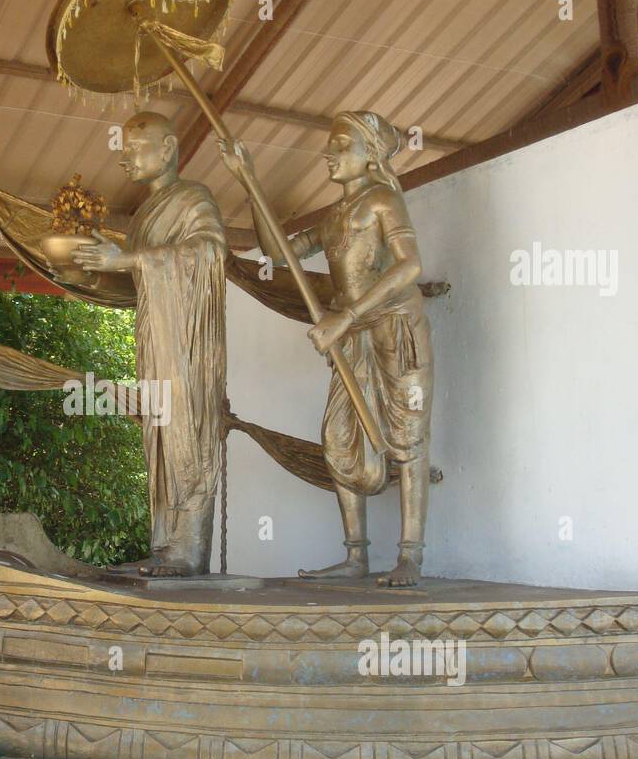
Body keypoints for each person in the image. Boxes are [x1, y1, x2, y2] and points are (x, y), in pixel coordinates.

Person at [219, 111, 433, 586]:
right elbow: (280, 255)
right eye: (331, 146)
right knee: (340, 437)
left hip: (395, 330)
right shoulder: (336, 215)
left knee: (407, 437)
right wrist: (249, 181)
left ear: (370, 154)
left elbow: (409, 265)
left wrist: (347, 317)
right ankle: (356, 555)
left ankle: (410, 556)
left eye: (341, 146)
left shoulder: (382, 202)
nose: (329, 155)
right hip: (350, 336)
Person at [72, 112, 227, 577]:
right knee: (158, 434)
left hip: (186, 343)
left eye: (136, 146)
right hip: (154, 339)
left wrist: (130, 258)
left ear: (168, 148)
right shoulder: (142, 216)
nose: (124, 157)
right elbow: (137, 285)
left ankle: (189, 551)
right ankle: (168, 546)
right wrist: (97, 269)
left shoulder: (195, 199)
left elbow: (210, 253)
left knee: (187, 430)